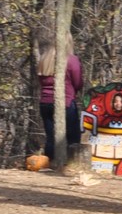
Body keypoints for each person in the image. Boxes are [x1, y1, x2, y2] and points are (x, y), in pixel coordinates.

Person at [33, 28, 85, 159]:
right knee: (72, 136)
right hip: (65, 102)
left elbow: (41, 81)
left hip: (45, 103)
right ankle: (71, 163)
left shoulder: (44, 59)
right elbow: (78, 82)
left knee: (51, 137)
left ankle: (50, 163)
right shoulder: (71, 60)